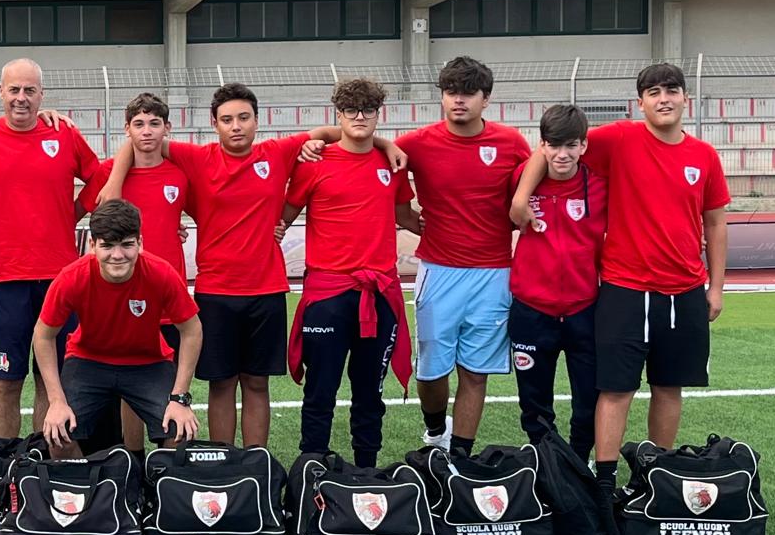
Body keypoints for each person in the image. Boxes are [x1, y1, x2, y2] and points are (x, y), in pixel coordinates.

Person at [513, 63, 729, 495]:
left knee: (669, 386)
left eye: (671, 90)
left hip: (684, 289)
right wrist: (521, 199)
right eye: (653, 92)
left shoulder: (704, 156)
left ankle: (656, 473)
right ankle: (605, 481)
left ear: (686, 97)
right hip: (624, 288)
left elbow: (716, 223)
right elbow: (552, 146)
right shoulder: (619, 138)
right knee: (615, 388)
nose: (663, 98)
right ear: (641, 102)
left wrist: (716, 286)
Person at [99, 82, 346, 449]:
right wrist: (116, 180)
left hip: (267, 289)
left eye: (244, 117)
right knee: (222, 383)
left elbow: (341, 130)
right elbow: (140, 141)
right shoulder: (198, 157)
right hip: (215, 291)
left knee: (257, 382)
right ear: (214, 123)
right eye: (227, 119)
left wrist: (335, 143)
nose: (236, 126)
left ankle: (255, 463)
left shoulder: (276, 152)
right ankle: (224, 464)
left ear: (257, 121)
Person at [0, 58, 100, 438]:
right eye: (14, 89)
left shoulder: (63, 135)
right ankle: (4, 464)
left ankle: (42, 464)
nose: (21, 98)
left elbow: (100, 179)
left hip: (61, 278)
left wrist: (73, 214)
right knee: (8, 380)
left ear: (41, 95)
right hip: (6, 278)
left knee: (54, 381)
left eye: (30, 90)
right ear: (0, 92)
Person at [395, 55, 531, 458]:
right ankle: (436, 429)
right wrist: (412, 221)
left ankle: (460, 455)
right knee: (432, 369)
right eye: (451, 92)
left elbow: (534, 188)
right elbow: (379, 167)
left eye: (468, 93)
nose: (459, 101)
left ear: (485, 99)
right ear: (441, 97)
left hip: (493, 275)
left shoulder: (511, 143)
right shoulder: (416, 143)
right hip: (439, 271)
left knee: (476, 371)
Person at [280, 77, 416, 470]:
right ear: (337, 114)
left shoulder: (392, 163)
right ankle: (312, 469)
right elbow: (282, 219)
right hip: (329, 295)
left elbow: (407, 216)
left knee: (370, 393)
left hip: (380, 292)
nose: (360, 117)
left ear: (378, 115)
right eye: (351, 110)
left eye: (367, 110)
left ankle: (366, 470)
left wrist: (465, 227)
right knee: (321, 390)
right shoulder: (314, 163)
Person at [35, 200, 202, 455]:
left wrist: (180, 398)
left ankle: (159, 490)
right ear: (92, 246)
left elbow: (192, 330)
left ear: (140, 243)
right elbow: (43, 336)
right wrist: (56, 400)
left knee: (181, 431)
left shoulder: (161, 273)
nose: (117, 255)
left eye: (126, 244)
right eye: (107, 246)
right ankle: (86, 491)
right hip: (88, 361)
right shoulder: (71, 278)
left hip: (148, 364)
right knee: (59, 432)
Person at [76, 92, 193, 448]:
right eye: (138, 124)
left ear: (167, 128)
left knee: (165, 381)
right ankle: (133, 457)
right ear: (127, 129)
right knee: (127, 381)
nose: (146, 132)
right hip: (118, 295)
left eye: (154, 123)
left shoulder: (181, 174)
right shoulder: (109, 175)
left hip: (166, 296)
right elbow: (76, 214)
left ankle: (166, 463)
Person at [504, 104, 607, 462]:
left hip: (585, 310)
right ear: (542, 146)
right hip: (532, 310)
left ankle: (580, 462)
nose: (562, 155)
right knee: (533, 402)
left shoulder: (599, 184)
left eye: (571, 146)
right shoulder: (520, 179)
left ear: (583, 146)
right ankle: (545, 462)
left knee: (588, 401)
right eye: (554, 145)